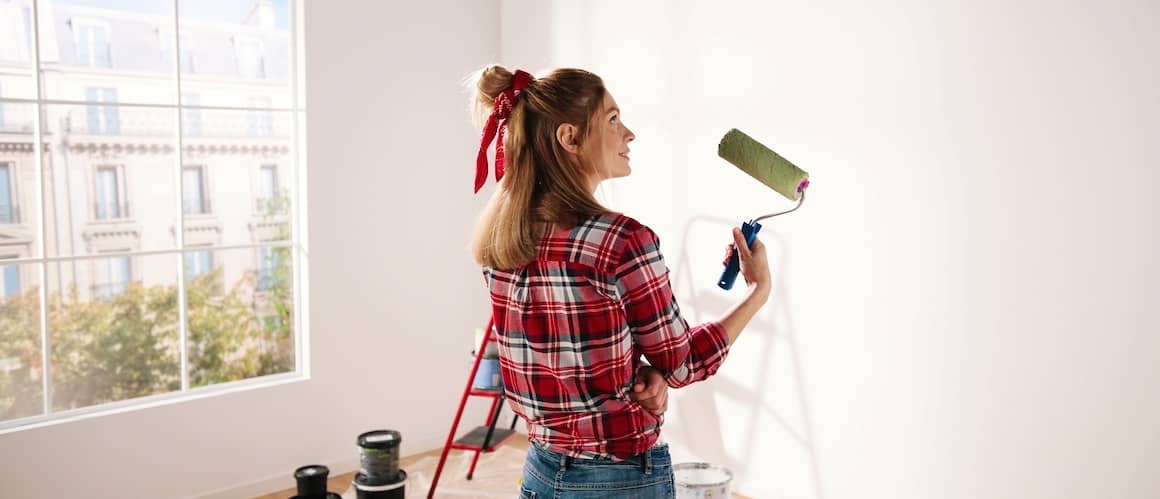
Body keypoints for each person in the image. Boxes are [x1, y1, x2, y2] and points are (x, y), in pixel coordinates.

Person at [469, 65, 770, 498]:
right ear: (570, 139)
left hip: (539, 471)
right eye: (612, 120)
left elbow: (566, 362)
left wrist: (647, 372)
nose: (629, 134)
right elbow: (682, 364)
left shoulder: (501, 238)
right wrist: (758, 292)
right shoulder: (622, 242)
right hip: (618, 480)